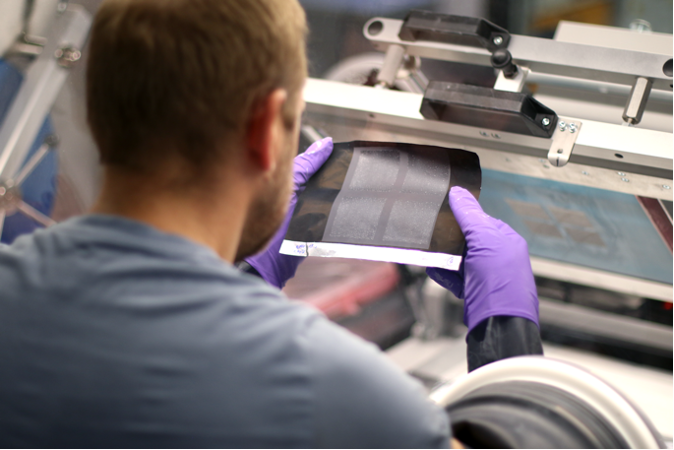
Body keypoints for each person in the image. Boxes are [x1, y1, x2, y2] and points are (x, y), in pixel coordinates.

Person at [0, 0, 542, 447]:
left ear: (98, 112)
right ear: (264, 130)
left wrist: (242, 278)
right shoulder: (335, 388)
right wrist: (507, 344)